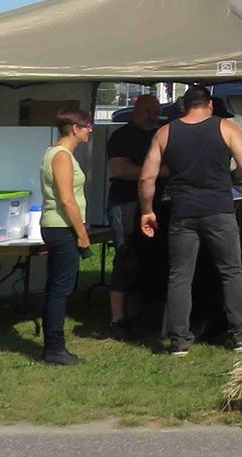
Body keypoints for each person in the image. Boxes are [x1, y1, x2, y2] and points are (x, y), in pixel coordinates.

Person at [139, 84, 242, 356]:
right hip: (219, 209)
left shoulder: (165, 132)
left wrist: (148, 210)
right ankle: (241, 336)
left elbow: (147, 177)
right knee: (231, 271)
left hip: (183, 212)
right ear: (210, 105)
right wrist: (230, 179)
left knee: (180, 276)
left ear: (183, 106)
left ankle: (179, 341)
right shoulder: (225, 128)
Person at [38, 108, 94, 366]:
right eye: (87, 126)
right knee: (61, 289)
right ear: (74, 128)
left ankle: (53, 347)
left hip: (58, 227)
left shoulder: (59, 153)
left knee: (56, 288)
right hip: (62, 228)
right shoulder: (61, 156)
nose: (90, 130)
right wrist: (81, 234)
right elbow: (67, 200)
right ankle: (55, 348)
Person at [103, 93, 160, 339]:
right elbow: (119, 169)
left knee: (147, 258)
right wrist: (157, 172)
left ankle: (138, 314)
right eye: (148, 111)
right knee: (125, 257)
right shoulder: (122, 136)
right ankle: (117, 319)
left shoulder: (160, 134)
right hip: (124, 202)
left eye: (156, 111)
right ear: (136, 110)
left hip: (154, 205)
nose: (153, 116)